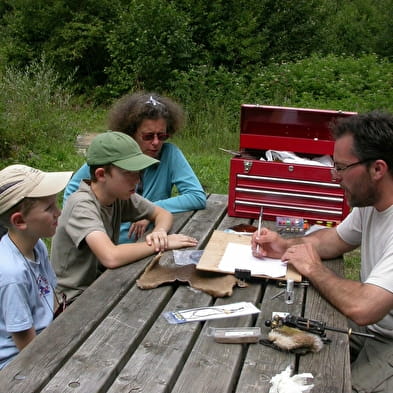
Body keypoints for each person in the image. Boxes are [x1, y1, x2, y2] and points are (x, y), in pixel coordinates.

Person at [251, 111, 393, 393]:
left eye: (340, 168)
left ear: (377, 169)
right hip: (372, 330)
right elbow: (334, 239)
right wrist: (284, 246)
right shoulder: (371, 204)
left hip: (386, 339)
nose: (334, 177)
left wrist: (314, 269)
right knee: (269, 347)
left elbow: (364, 307)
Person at [51, 131, 198, 303]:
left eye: (139, 172)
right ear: (101, 175)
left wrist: (159, 232)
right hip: (72, 299)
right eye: (129, 173)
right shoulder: (81, 205)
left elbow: (161, 213)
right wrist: (161, 245)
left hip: (102, 283)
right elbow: (111, 257)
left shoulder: (117, 194)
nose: (137, 180)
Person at [64, 92, 206, 243]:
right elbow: (71, 195)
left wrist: (149, 212)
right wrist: (95, 228)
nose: (156, 142)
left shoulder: (169, 154)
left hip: (150, 237)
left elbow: (196, 196)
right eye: (148, 136)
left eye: (162, 136)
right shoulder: (112, 154)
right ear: (131, 133)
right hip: (110, 244)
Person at [0, 164, 72, 370]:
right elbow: (27, 348)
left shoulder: (36, 244)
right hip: (17, 363)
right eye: (49, 208)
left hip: (45, 339)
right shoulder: (12, 274)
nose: (58, 212)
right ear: (20, 221)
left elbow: (51, 296)